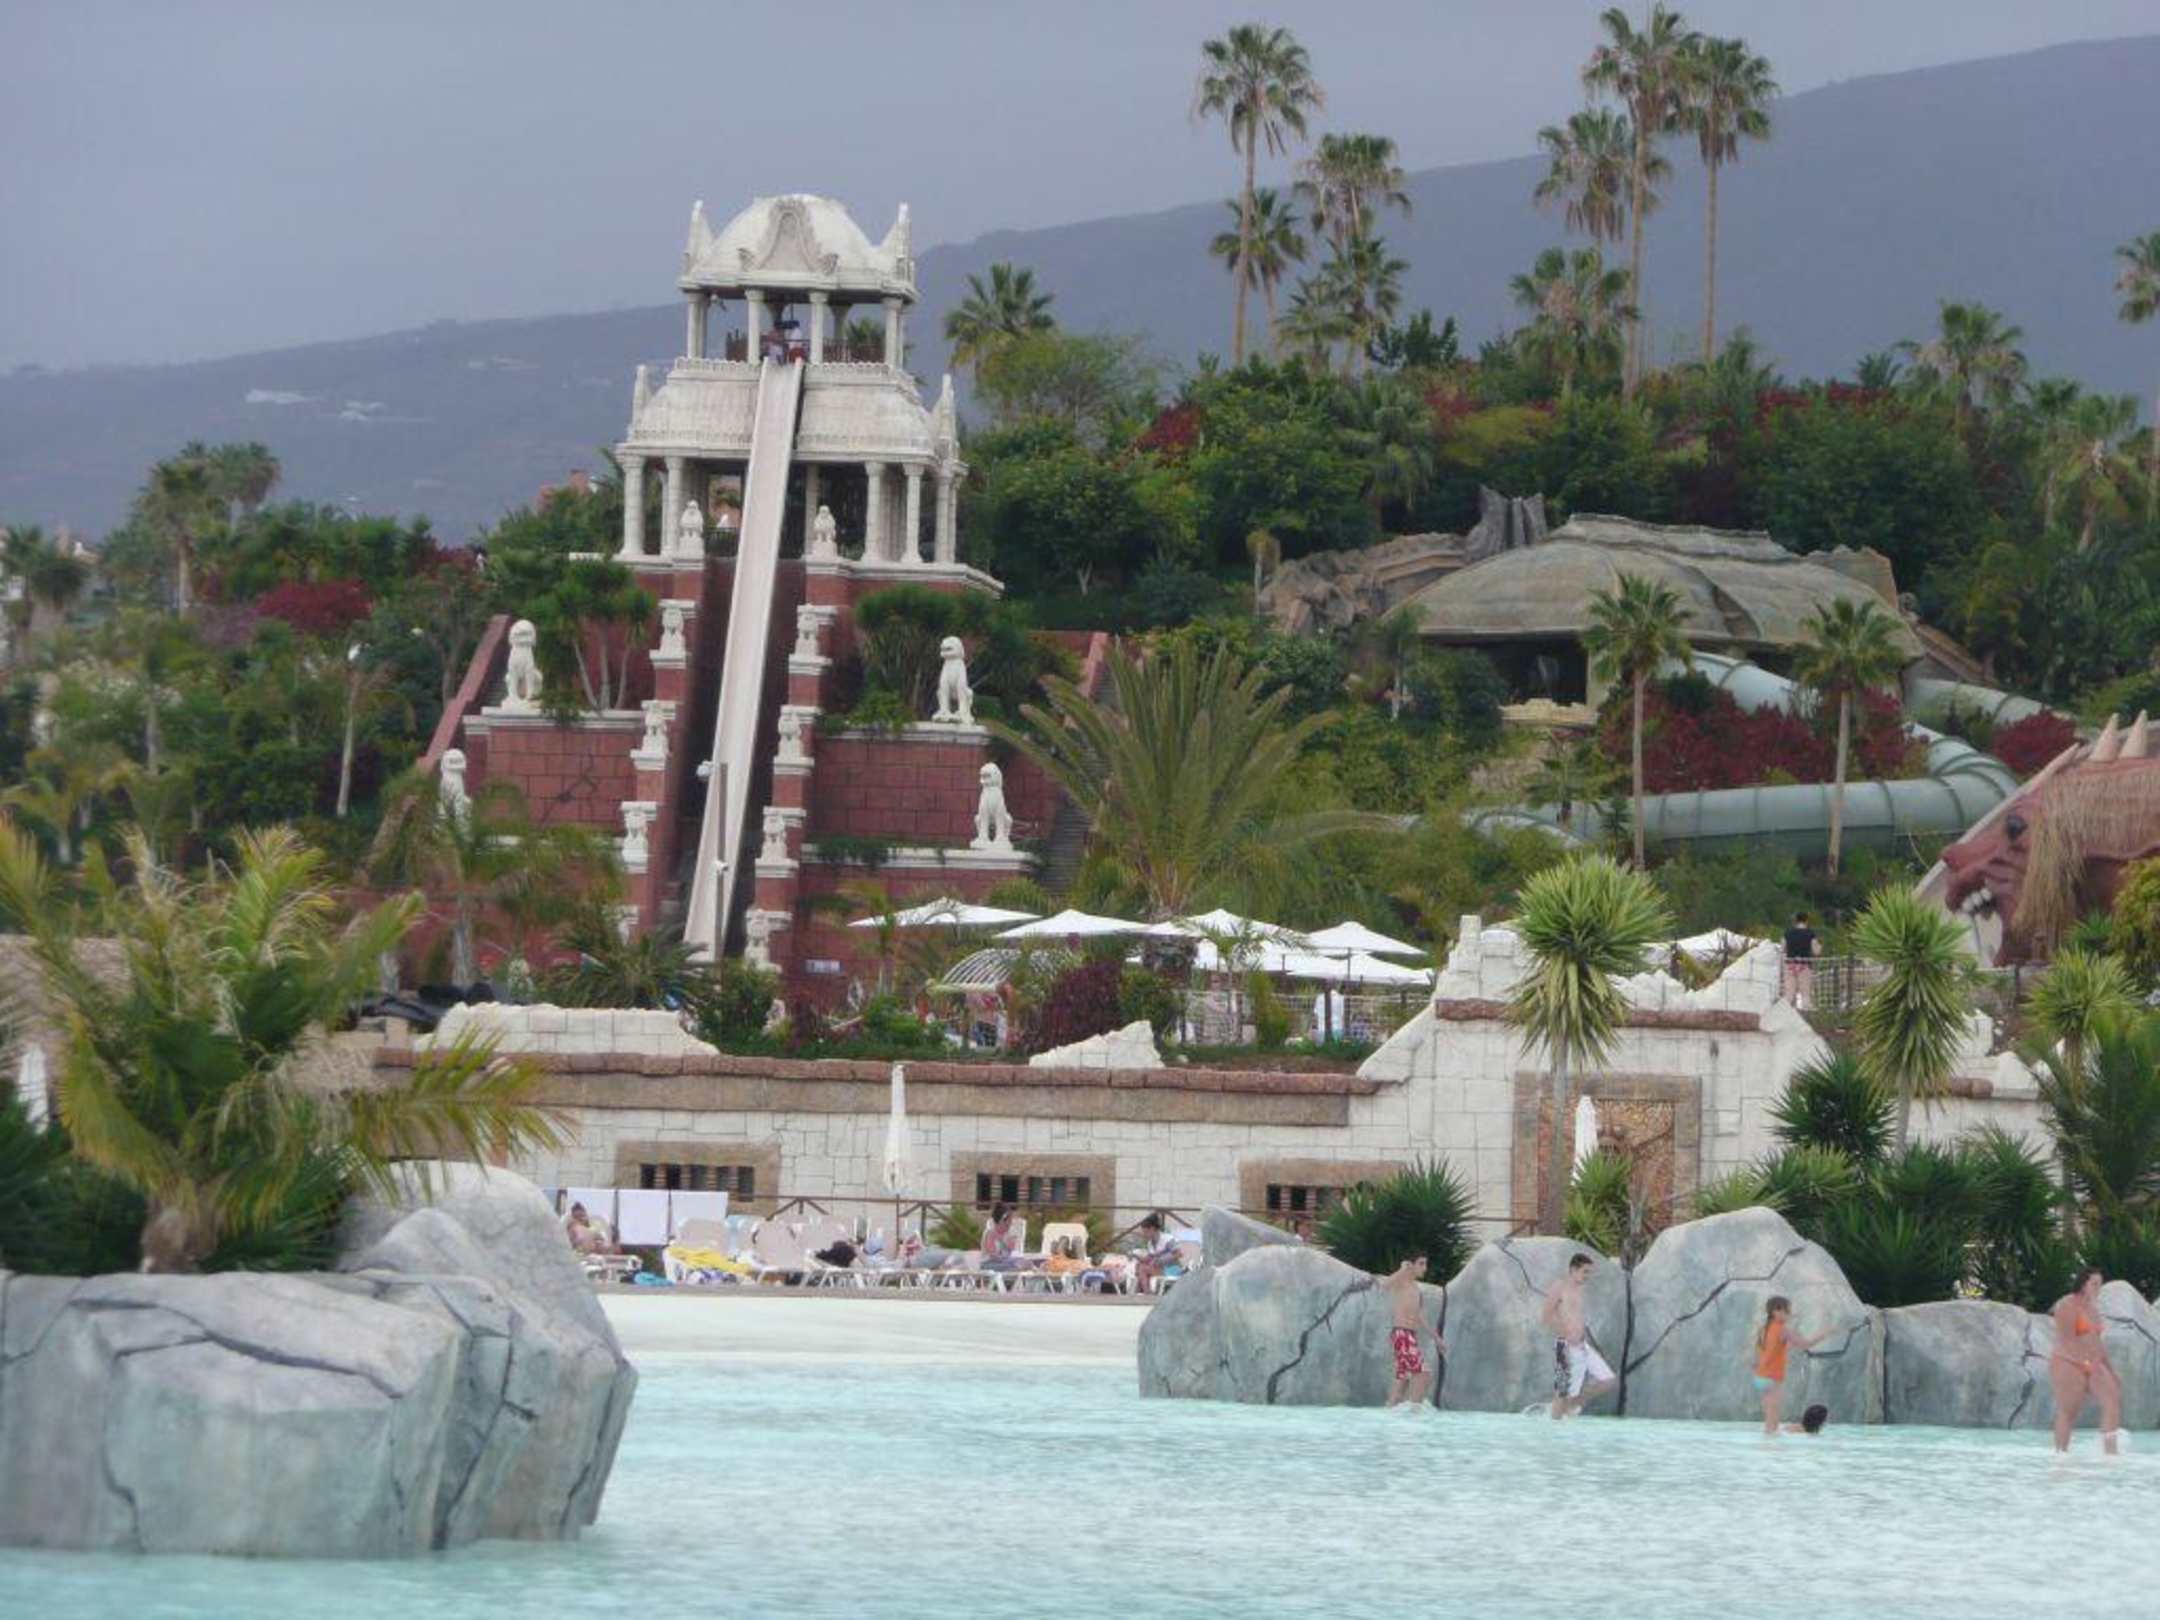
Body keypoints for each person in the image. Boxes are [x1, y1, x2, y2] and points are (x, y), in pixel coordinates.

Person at [2049, 1267, 2123, 1456]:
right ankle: (2060, 1456)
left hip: (2092, 1363)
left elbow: (2097, 1342)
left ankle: (2110, 1454)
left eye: (2100, 1284)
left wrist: (2110, 1370)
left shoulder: (2093, 1310)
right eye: (2094, 1284)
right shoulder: (2066, 1304)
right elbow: (2067, 1339)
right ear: (2083, 1284)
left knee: (2112, 1401)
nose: (2098, 1288)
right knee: (2068, 1411)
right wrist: (2084, 1363)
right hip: (2067, 1361)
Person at [1542, 1253, 1617, 1419]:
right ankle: (1555, 1423)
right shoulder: (1559, 1287)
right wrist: (1565, 1334)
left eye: (1589, 1272)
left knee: (1608, 1380)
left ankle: (1572, 1404)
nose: (1587, 1276)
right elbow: (1546, 1316)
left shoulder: (1580, 1289)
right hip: (1565, 1345)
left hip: (1582, 1346)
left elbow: (1576, 1316)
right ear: (1573, 1269)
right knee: (1562, 1389)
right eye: (1585, 1272)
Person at [1752, 1296, 1834, 1436]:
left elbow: (1765, 1350)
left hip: (1760, 1377)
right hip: (1773, 1378)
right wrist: (1825, 1334)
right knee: (1772, 1426)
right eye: (1787, 1311)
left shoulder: (1763, 1329)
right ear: (1776, 1311)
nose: (1789, 1315)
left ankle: (1768, 1445)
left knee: (1769, 1423)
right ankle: (1770, 1448)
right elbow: (1806, 1344)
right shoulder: (1783, 1330)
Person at [1381, 1256, 1446, 1407]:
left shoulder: (1417, 1290)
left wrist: (1437, 1338)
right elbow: (1384, 1286)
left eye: (1425, 1264)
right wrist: (1402, 1269)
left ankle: (1390, 1412)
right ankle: (1414, 1412)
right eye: (1421, 1264)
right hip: (1401, 1334)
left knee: (1402, 1381)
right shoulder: (1401, 1281)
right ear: (1411, 1264)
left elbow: (1420, 1317)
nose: (1425, 1268)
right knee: (1423, 1374)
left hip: (1410, 1336)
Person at [1134, 1213, 1182, 1292]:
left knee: (1142, 1269)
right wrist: (1137, 1257)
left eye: (1145, 1232)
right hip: (1160, 1269)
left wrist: (1162, 1259)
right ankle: (1140, 1292)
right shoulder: (1150, 1243)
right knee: (1139, 1267)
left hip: (1171, 1269)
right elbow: (1149, 1259)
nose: (1144, 1235)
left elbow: (1179, 1253)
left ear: (1152, 1229)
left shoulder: (1167, 1239)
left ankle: (1147, 1294)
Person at [1782, 911, 1818, 1008]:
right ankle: (1806, 1013)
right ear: (1806, 921)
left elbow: (1783, 948)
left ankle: (1785, 1012)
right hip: (1804, 964)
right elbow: (1816, 951)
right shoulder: (1810, 933)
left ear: (1795, 920)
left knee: (1789, 994)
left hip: (1790, 964)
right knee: (1805, 994)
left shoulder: (1787, 933)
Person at [980, 1202, 1024, 1274]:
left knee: (1025, 1264)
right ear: (1000, 1221)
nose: (1009, 1225)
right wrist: (1003, 1242)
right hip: (989, 1264)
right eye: (1007, 1224)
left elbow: (1013, 1251)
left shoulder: (1008, 1234)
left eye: (1010, 1223)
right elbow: (993, 1255)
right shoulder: (990, 1234)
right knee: (1016, 1266)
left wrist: (1012, 1247)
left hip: (1004, 1263)